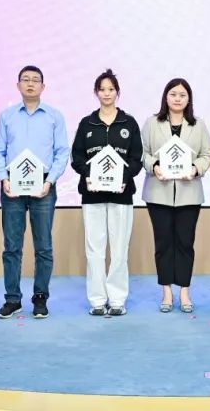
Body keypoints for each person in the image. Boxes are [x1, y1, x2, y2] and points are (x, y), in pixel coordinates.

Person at [0, 65, 69, 320]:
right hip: (12, 185)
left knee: (43, 246)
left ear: (43, 87)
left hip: (44, 185)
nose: (30, 84)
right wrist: (3, 178)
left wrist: (50, 181)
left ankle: (40, 297)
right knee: (11, 247)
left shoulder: (54, 116)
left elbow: (62, 152)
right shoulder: (6, 116)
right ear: (18, 86)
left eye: (36, 80)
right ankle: (12, 299)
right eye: (26, 79)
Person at [71, 69, 143, 317]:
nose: (106, 93)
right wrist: (88, 175)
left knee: (120, 249)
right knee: (95, 249)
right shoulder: (87, 123)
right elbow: (77, 157)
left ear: (117, 92)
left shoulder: (128, 123)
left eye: (111, 89)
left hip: (121, 195)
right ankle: (98, 300)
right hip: (92, 195)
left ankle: (117, 300)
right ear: (96, 93)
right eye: (102, 89)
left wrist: (124, 178)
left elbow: (136, 158)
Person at [141, 78, 210, 314]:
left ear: (188, 99)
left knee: (185, 243)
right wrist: (154, 167)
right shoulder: (152, 123)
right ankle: (166, 292)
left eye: (182, 95)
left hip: (189, 194)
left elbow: (206, 155)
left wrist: (195, 169)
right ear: (166, 97)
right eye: (173, 94)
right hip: (158, 193)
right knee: (163, 243)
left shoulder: (198, 125)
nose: (177, 98)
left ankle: (184, 291)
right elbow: (142, 152)